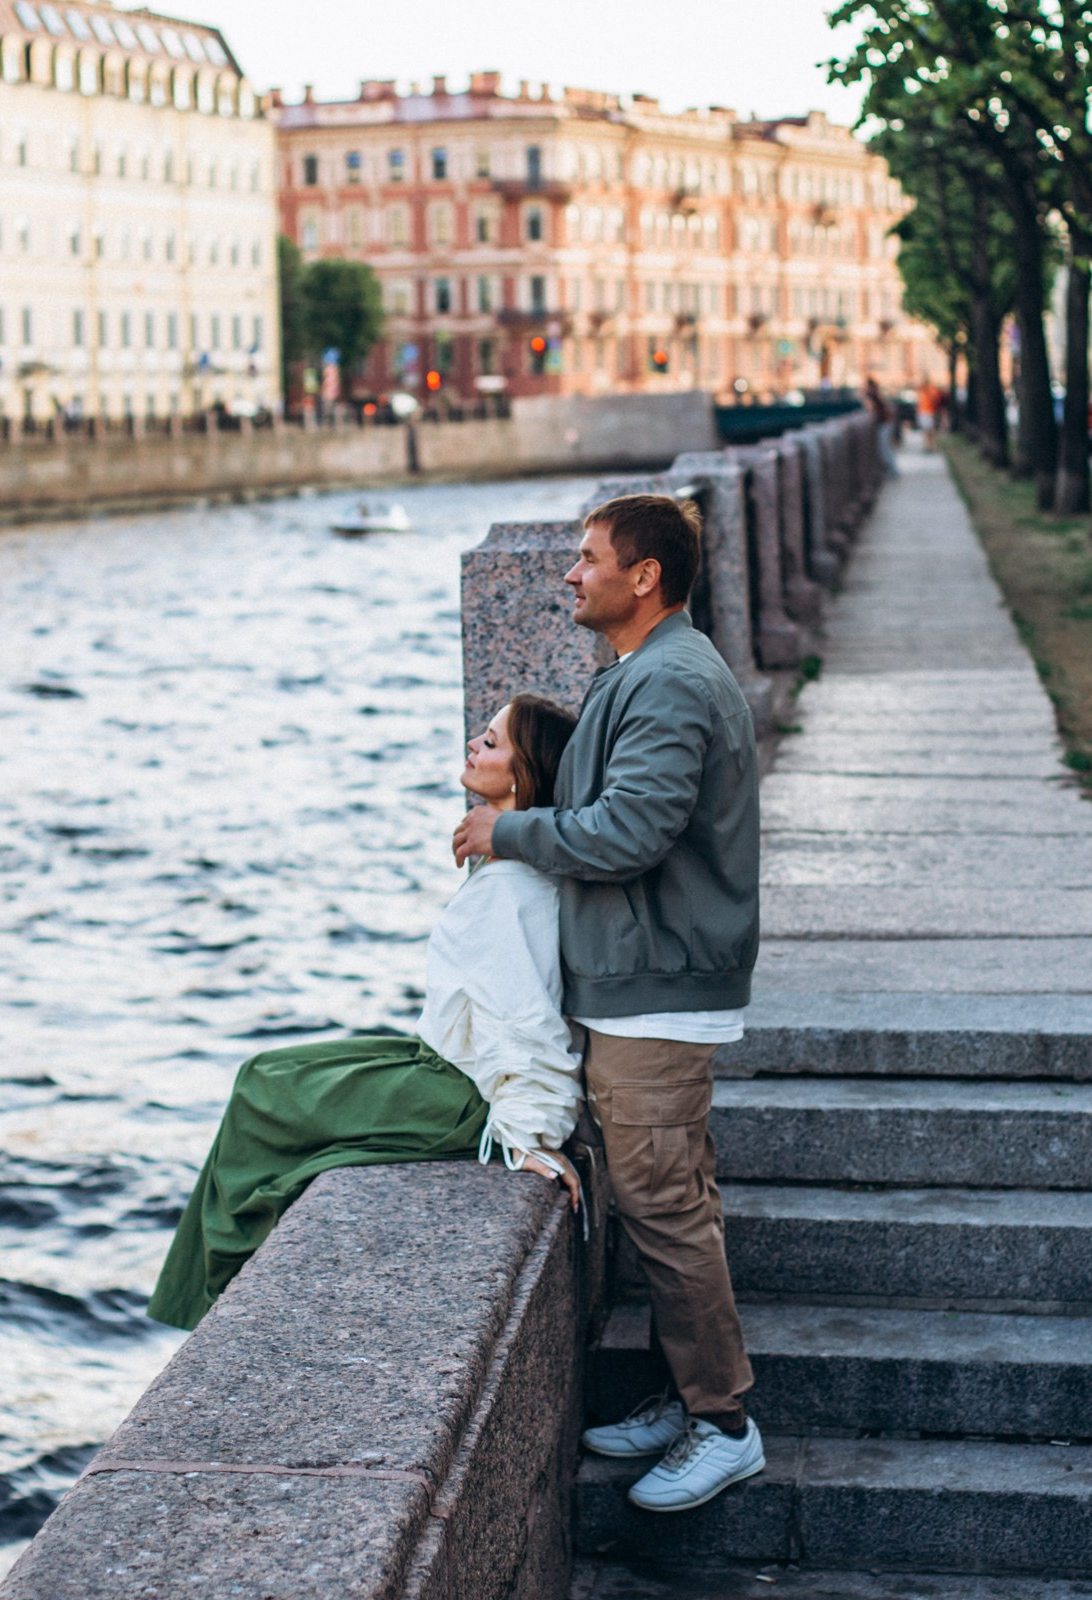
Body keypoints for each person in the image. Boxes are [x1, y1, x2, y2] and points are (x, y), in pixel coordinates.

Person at [451, 493, 763, 1516]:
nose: (570, 575)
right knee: (669, 1200)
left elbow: (628, 833)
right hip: (646, 985)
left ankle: (724, 1424)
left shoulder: (670, 681)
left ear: (647, 579)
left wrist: (508, 836)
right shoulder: (645, 671)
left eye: (588, 560)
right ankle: (686, 1397)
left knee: (668, 1212)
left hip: (656, 998)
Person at [147, 696, 584, 1332]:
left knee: (265, 1102)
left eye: (490, 743)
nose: (472, 745)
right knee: (261, 1076)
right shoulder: (509, 868)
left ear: (522, 776)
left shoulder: (514, 892)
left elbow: (530, 1019)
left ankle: (218, 1307)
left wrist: (530, 1139)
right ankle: (210, 1302)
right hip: (435, 1060)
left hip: (458, 1094)